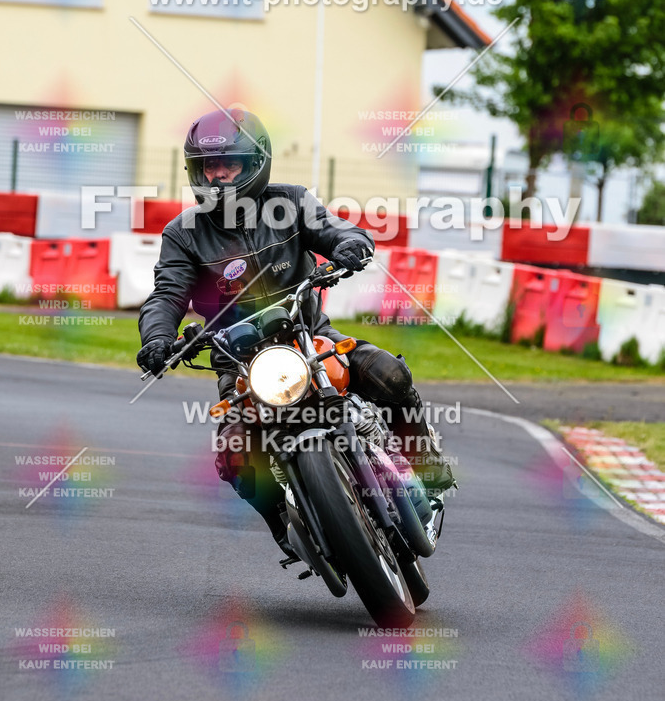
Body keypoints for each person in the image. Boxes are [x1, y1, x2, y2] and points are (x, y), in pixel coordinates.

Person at [137, 107, 455, 554]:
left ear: (256, 163)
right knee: (234, 453)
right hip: (239, 363)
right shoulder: (183, 233)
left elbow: (335, 230)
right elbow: (167, 294)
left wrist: (350, 244)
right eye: (209, 165)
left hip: (311, 337)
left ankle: (427, 468)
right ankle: (284, 526)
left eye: (230, 164)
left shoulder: (291, 202)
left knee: (388, 373)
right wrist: (157, 340)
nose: (218, 175)